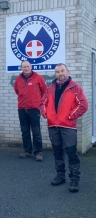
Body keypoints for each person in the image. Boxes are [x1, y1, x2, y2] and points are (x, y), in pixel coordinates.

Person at [40, 63, 88, 193]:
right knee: (57, 152)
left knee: (71, 153)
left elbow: (83, 105)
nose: (60, 73)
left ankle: (74, 179)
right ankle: (60, 175)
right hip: (53, 126)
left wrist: (71, 116)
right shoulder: (50, 88)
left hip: (68, 126)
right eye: (57, 72)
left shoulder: (75, 88)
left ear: (67, 71)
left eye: (62, 71)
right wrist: (45, 113)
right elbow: (42, 103)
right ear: (55, 74)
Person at [14, 60, 47, 161]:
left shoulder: (38, 78)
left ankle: (38, 152)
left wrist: (38, 101)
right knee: (25, 131)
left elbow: (45, 91)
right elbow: (17, 91)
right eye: (24, 67)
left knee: (36, 131)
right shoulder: (18, 79)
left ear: (31, 67)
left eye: (27, 66)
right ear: (21, 68)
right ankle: (27, 151)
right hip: (22, 109)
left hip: (34, 109)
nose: (26, 68)